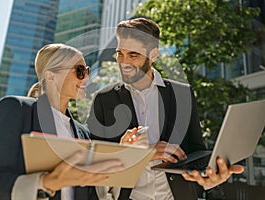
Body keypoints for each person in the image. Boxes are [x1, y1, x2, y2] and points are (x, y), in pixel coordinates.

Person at [87, 18, 244, 199]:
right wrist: (140, 155)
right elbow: (94, 162)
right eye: (119, 54)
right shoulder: (104, 99)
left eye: (133, 55)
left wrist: (210, 180)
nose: (124, 62)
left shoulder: (182, 94)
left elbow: (195, 149)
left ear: (153, 55)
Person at [0, 43, 125, 200]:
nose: (87, 78)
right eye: (79, 70)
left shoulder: (83, 133)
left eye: (87, 71)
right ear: (51, 75)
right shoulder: (16, 109)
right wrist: (47, 182)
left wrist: (124, 154)